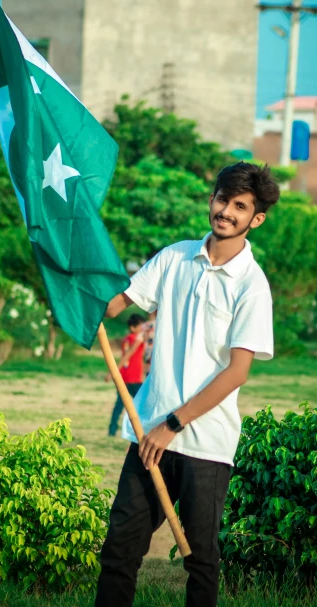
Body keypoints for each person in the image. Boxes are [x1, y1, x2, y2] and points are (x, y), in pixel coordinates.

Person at [95, 162, 280, 607]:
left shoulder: (252, 286)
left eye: (240, 206)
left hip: (205, 445)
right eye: (222, 199)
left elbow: (237, 372)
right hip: (149, 435)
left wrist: (173, 424)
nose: (226, 211)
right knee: (119, 550)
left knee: (200, 560)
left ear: (256, 219)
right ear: (211, 199)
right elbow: (117, 305)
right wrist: (69, 285)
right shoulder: (174, 257)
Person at [107, 313, 146, 436]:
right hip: (133, 378)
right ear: (133, 328)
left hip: (125, 376)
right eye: (140, 327)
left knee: (119, 405)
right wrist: (113, 372)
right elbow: (128, 355)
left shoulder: (127, 339)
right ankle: (141, 430)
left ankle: (112, 430)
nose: (142, 329)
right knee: (143, 405)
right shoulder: (136, 339)